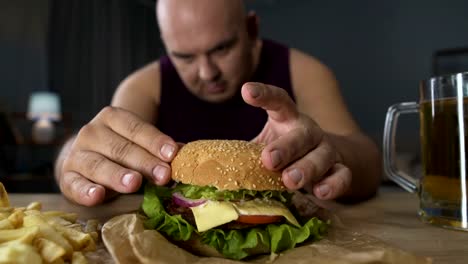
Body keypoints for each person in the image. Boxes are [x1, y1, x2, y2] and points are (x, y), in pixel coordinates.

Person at [54, 0, 382, 206]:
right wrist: (73, 157)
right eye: (184, 56)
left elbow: (368, 160)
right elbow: (104, 150)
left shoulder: (304, 72)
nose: (207, 72)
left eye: (222, 49)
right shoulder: (143, 87)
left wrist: (328, 152)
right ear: (166, 46)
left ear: (251, 29)